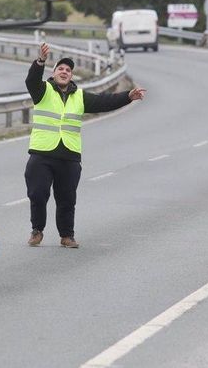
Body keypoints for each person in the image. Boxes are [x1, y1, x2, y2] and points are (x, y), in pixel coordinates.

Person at [25, 42, 146, 248]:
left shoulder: (80, 96)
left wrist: (127, 97)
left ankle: (67, 236)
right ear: (53, 74)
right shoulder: (42, 91)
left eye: (68, 70)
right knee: (37, 193)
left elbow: (105, 102)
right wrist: (40, 61)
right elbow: (31, 80)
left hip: (69, 156)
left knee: (67, 199)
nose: (64, 72)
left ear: (71, 76)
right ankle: (37, 230)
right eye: (61, 69)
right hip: (42, 153)